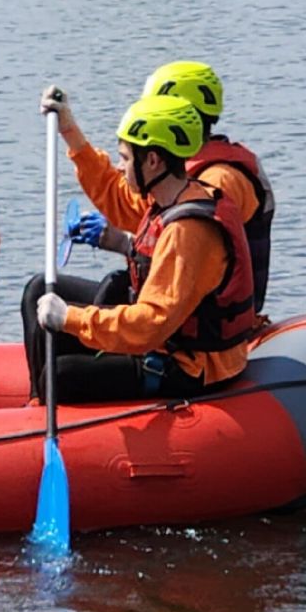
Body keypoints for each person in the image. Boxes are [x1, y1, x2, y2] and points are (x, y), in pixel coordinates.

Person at [23, 90, 258, 403]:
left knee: (61, 375)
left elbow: (151, 325)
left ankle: (44, 414)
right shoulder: (166, 197)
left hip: (189, 365)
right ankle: (39, 404)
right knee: (39, 290)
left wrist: (70, 318)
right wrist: (69, 129)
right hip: (165, 340)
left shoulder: (189, 232)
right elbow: (115, 195)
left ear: (152, 160)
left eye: (124, 157)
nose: (120, 167)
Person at [74, 62, 277, 312]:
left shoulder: (219, 181)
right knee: (42, 290)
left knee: (110, 289)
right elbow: (127, 206)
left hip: (206, 317)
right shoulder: (174, 175)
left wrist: (125, 243)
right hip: (175, 296)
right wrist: (69, 131)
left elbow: (189, 257)